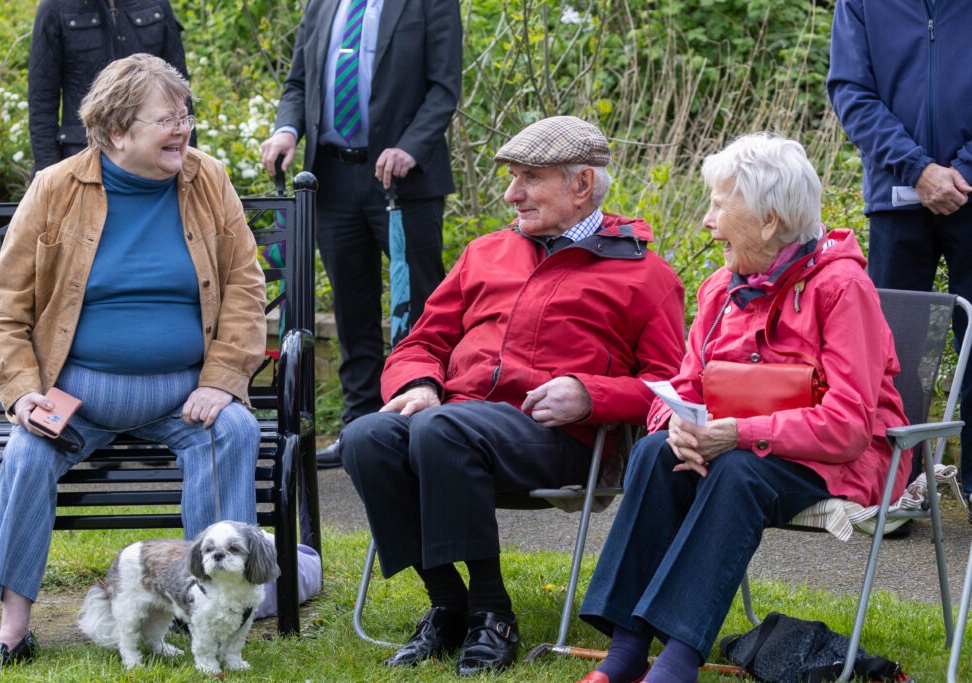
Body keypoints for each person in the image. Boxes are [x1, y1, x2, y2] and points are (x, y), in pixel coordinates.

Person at [340, 116, 687, 676]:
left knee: (441, 429)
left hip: (559, 440)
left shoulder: (646, 276)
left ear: (580, 186)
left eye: (529, 178)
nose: (511, 194)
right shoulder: (486, 253)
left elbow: (671, 384)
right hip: (454, 426)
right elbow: (422, 341)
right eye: (511, 177)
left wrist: (589, 393)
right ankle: (449, 605)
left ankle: (494, 612)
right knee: (366, 436)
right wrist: (420, 382)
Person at [574, 133, 911, 683]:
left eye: (718, 203)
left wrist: (738, 432)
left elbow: (849, 427)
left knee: (736, 470)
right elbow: (681, 388)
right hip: (743, 449)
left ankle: (677, 665)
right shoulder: (718, 290)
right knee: (657, 453)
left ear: (770, 219)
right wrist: (678, 424)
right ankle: (625, 654)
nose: (708, 221)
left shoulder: (843, 287)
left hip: (845, 463)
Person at [0, 53, 267, 673]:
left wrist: (221, 380)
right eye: (166, 119)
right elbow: (1, 308)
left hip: (184, 397)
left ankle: (215, 615)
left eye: (185, 115)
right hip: (77, 396)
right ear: (116, 134)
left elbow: (244, 289)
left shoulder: (208, 180)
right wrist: (24, 393)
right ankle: (14, 628)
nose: (182, 129)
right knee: (25, 454)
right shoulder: (55, 189)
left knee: (235, 429)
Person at [259, 0, 462, 469]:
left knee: (421, 308)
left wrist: (411, 147)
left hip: (404, 179)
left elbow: (443, 89)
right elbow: (297, 83)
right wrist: (287, 128)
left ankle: (423, 426)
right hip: (330, 176)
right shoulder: (323, 4)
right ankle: (359, 430)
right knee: (352, 312)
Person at [827, 1, 972, 507]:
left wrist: (964, 170)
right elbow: (850, 91)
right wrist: (917, 169)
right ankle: (891, 489)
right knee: (891, 355)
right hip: (894, 198)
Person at [28, 0, 193, 176]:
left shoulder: (155, 4)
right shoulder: (55, 7)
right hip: (83, 153)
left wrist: (188, 167)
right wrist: (48, 174)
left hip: (153, 154)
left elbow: (181, 91)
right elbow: (42, 102)